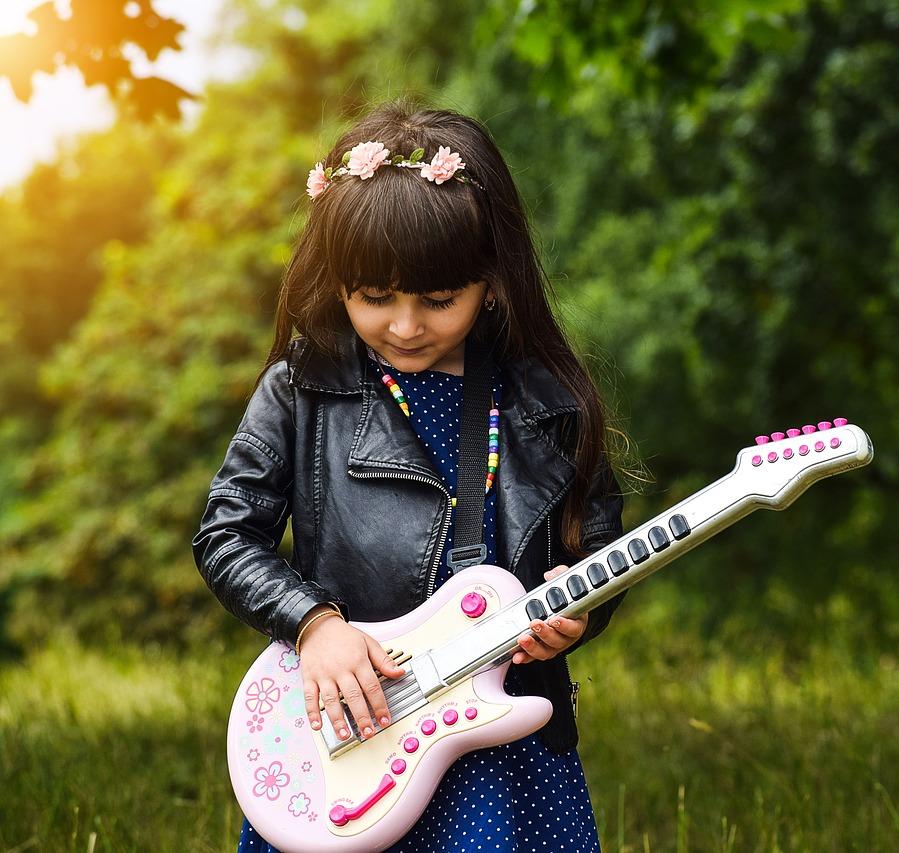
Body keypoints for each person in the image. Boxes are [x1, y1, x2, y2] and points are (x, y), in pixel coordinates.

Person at [192, 101, 628, 852]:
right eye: (374, 297)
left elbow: (597, 540)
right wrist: (314, 623)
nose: (404, 325)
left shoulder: (543, 396)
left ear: (492, 279)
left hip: (503, 739)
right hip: (357, 725)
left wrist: (582, 612)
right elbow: (227, 532)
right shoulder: (303, 386)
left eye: (437, 299)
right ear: (337, 282)